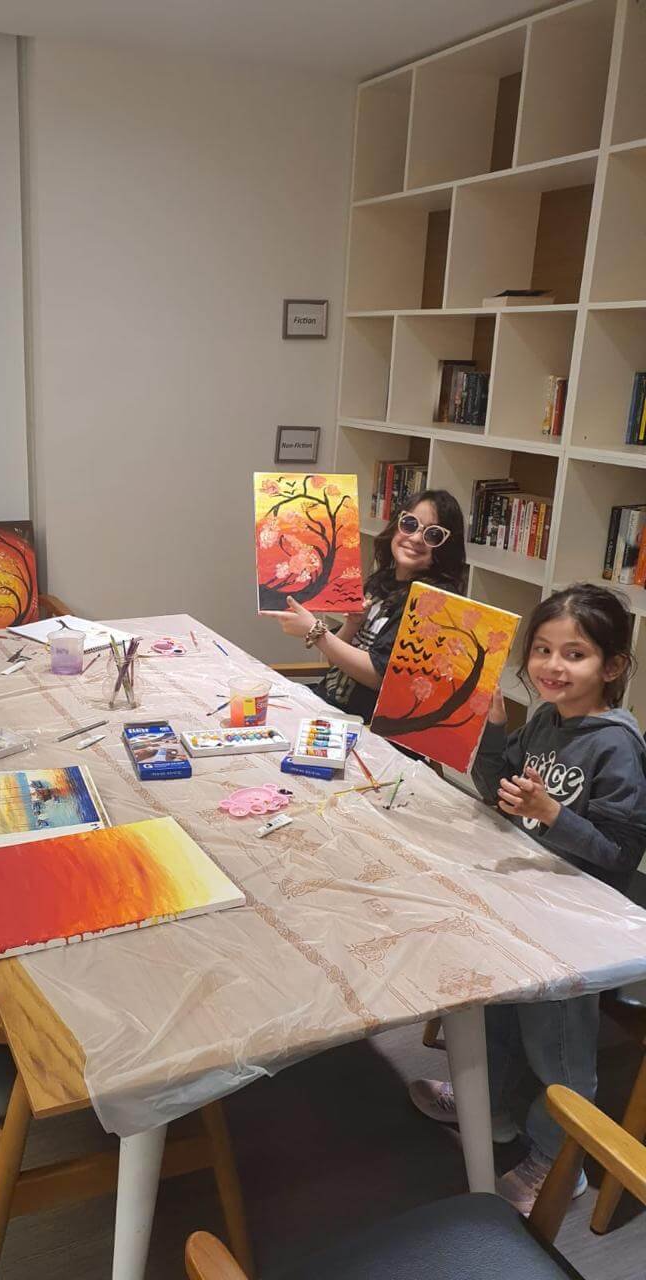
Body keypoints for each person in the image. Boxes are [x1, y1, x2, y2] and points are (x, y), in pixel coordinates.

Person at [410, 583, 646, 1213]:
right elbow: (499, 791)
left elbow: (621, 853)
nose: (552, 665)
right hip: (529, 897)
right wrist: (493, 731)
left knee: (558, 1049)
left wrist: (553, 814)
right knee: (497, 1009)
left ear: (612, 667)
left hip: (578, 926)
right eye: (542, 649)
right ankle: (489, 1110)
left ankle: (558, 1159)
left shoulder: (617, 744)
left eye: (574, 654)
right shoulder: (545, 719)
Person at [262, 490, 467, 723]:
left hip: (362, 726)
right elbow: (336, 661)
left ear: (447, 547)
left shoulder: (435, 602)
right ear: (396, 525)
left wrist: (316, 632)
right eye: (410, 524)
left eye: (433, 534)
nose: (417, 538)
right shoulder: (382, 580)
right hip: (328, 703)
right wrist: (352, 625)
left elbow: (381, 678)